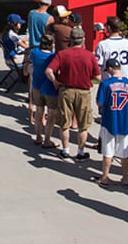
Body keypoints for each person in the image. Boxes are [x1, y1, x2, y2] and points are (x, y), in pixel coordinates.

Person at [45, 25, 100, 160]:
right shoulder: (89, 56)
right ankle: (80, 151)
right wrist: (89, 77)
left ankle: (65, 150)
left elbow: (49, 71)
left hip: (66, 91)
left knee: (64, 123)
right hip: (83, 92)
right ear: (83, 40)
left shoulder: (62, 54)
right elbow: (98, 77)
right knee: (83, 125)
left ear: (70, 40)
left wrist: (55, 81)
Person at [94, 58, 128, 187]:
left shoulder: (105, 84)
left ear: (110, 69)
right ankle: (125, 178)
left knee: (107, 152)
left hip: (108, 122)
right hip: (125, 122)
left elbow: (99, 102)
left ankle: (105, 177)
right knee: (125, 153)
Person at [29, 33, 59, 148]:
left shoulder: (35, 53)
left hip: (37, 85)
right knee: (51, 114)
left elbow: (31, 64)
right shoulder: (53, 57)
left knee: (39, 111)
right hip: (50, 87)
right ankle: (47, 140)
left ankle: (38, 136)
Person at [93, 16, 128, 81]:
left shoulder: (102, 45)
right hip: (125, 83)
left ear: (109, 27)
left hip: (109, 84)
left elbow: (97, 68)